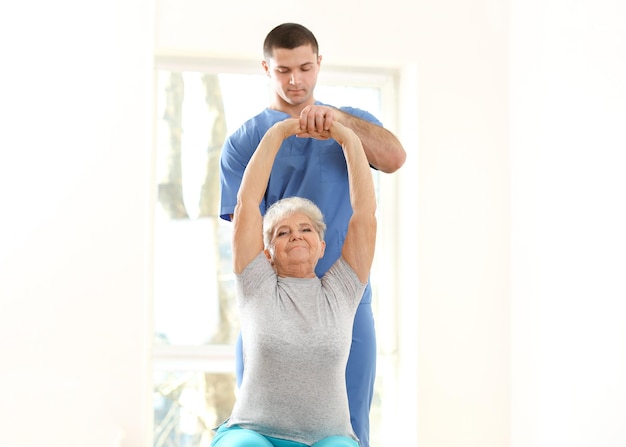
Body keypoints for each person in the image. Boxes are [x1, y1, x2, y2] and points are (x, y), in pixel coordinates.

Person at [219, 23, 406, 447]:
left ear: (319, 64)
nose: (295, 80)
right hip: (271, 303)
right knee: (255, 427)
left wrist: (339, 122)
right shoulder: (244, 142)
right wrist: (282, 130)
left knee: (350, 427)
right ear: (266, 68)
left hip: (344, 301)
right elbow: (246, 227)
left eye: (305, 67)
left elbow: (394, 157)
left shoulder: (349, 126)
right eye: (283, 70)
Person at [213, 117, 377, 447]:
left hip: (326, 439)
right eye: (282, 232)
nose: (295, 236)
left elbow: (365, 216)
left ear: (322, 247)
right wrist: (280, 132)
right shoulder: (256, 284)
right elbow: (246, 205)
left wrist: (346, 138)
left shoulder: (342, 290)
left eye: (306, 229)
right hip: (254, 433)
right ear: (268, 252)